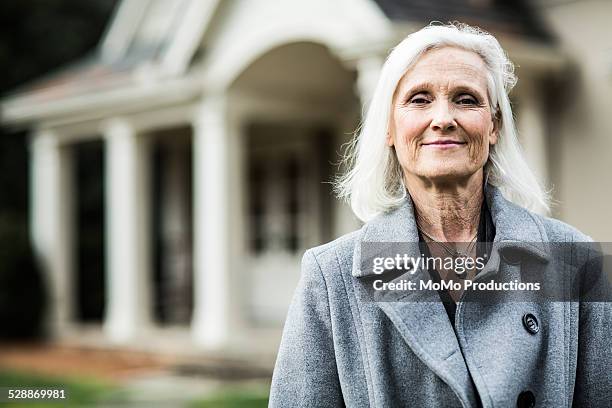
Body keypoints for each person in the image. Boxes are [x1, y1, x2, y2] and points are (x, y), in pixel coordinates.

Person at [269, 23, 611, 407]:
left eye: (466, 99)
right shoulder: (330, 277)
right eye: (419, 99)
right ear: (390, 128)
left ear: (494, 125)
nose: (443, 118)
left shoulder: (577, 261)